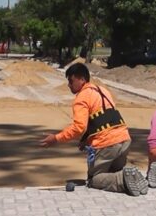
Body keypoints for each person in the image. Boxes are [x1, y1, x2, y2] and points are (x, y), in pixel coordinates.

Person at [39, 63, 148, 196]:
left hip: (107, 144)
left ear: (82, 79)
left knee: (95, 179)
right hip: (124, 140)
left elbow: (79, 127)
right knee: (113, 171)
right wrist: (86, 140)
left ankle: (122, 179)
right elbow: (101, 118)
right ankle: (130, 176)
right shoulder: (103, 91)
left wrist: (56, 138)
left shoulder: (81, 98)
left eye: (71, 81)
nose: (69, 85)